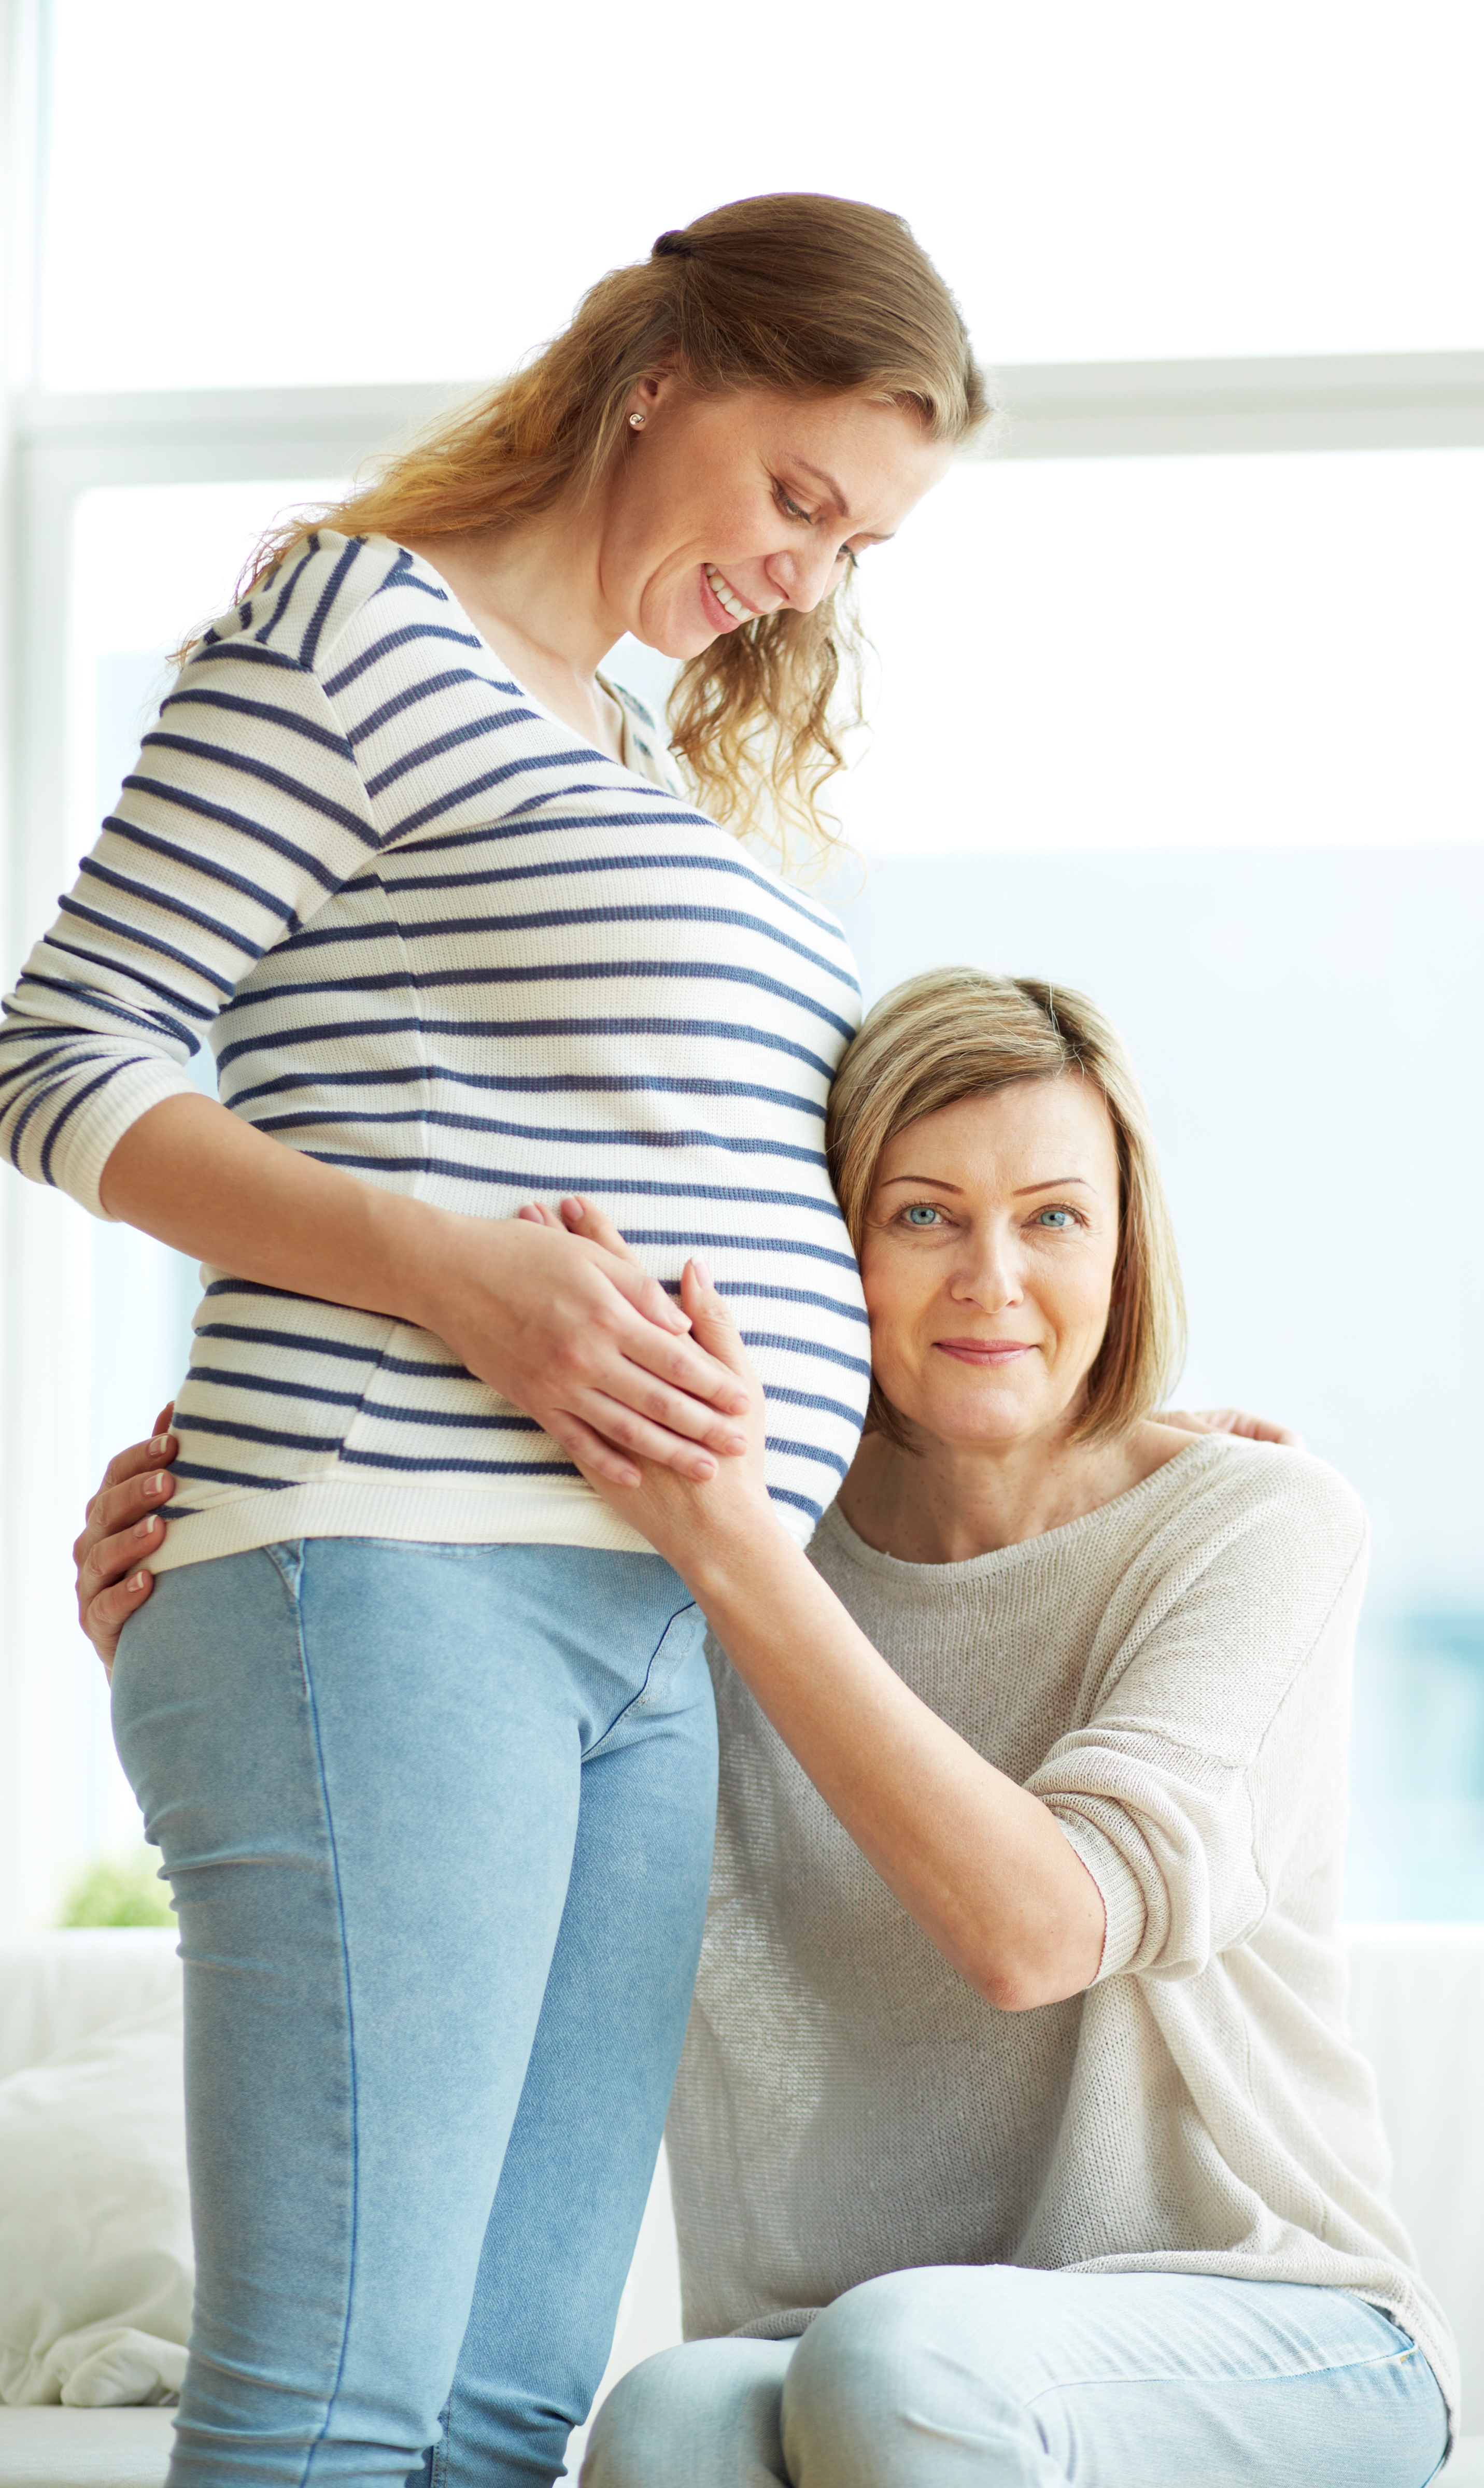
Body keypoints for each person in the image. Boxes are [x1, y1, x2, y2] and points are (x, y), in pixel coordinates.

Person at [0, 195, 982, 2488]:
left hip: (655, 1625)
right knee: (337, 2406)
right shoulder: (351, 623)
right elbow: (61, 1056)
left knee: (500, 2411)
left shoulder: (628, 747)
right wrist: (462, 1276)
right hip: (395, 1561)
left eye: (859, 542)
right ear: (660, 375)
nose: (807, 576)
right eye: (796, 498)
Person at [83, 970, 1455, 2487]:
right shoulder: (724, 1559)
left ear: (1125, 1249)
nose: (994, 1278)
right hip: (843, 2348)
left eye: (1053, 1217)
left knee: (901, 2366)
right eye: (923, 1216)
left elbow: (1037, 1933)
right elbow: (478, 1812)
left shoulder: (1256, 1525)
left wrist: (721, 1540)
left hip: (1270, 2329)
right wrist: (187, 1633)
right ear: (830, 1246)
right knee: (670, 2422)